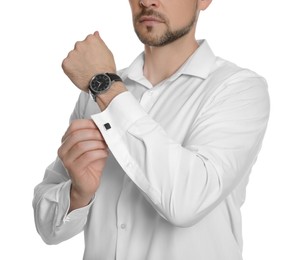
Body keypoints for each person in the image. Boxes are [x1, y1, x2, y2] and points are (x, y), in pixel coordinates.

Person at [33, 0, 270, 259]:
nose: (147, 1)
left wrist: (105, 86)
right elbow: (48, 227)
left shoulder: (237, 89)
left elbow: (186, 202)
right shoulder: (98, 93)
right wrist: (78, 194)